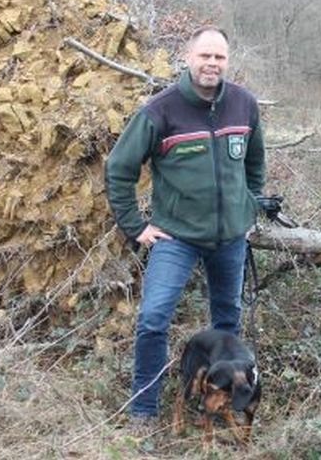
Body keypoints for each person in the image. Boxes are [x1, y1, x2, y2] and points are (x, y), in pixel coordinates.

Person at [104, 25, 266, 427]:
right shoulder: (161, 110)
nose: (212, 64)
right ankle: (145, 411)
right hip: (175, 239)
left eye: (220, 57)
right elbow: (118, 169)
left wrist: (248, 210)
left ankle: (221, 407)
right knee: (154, 319)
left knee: (227, 325)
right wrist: (135, 226)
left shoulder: (244, 105)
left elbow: (255, 165)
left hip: (229, 240)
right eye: (205, 56)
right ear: (188, 56)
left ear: (228, 61)